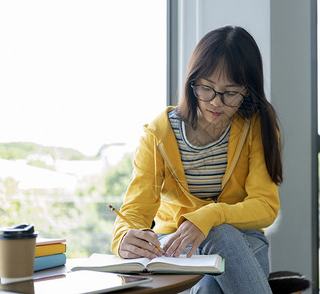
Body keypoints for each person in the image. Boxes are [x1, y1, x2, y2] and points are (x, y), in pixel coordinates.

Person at [111, 25, 283, 294]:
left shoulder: (256, 126)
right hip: (175, 243)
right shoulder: (160, 133)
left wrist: (209, 216)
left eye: (230, 93)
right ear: (192, 82)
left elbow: (265, 207)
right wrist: (122, 237)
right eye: (206, 89)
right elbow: (136, 209)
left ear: (247, 91)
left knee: (218, 236)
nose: (215, 102)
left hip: (242, 240)